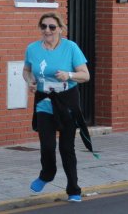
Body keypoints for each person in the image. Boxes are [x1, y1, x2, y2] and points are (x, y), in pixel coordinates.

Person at [22, 12, 90, 202]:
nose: (47, 30)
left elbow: (85, 75)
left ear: (61, 29)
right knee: (47, 145)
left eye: (52, 27)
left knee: (67, 148)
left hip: (67, 101)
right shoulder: (33, 49)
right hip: (44, 101)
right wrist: (30, 81)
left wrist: (69, 75)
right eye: (43, 26)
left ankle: (74, 189)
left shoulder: (71, 48)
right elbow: (26, 71)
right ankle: (47, 174)